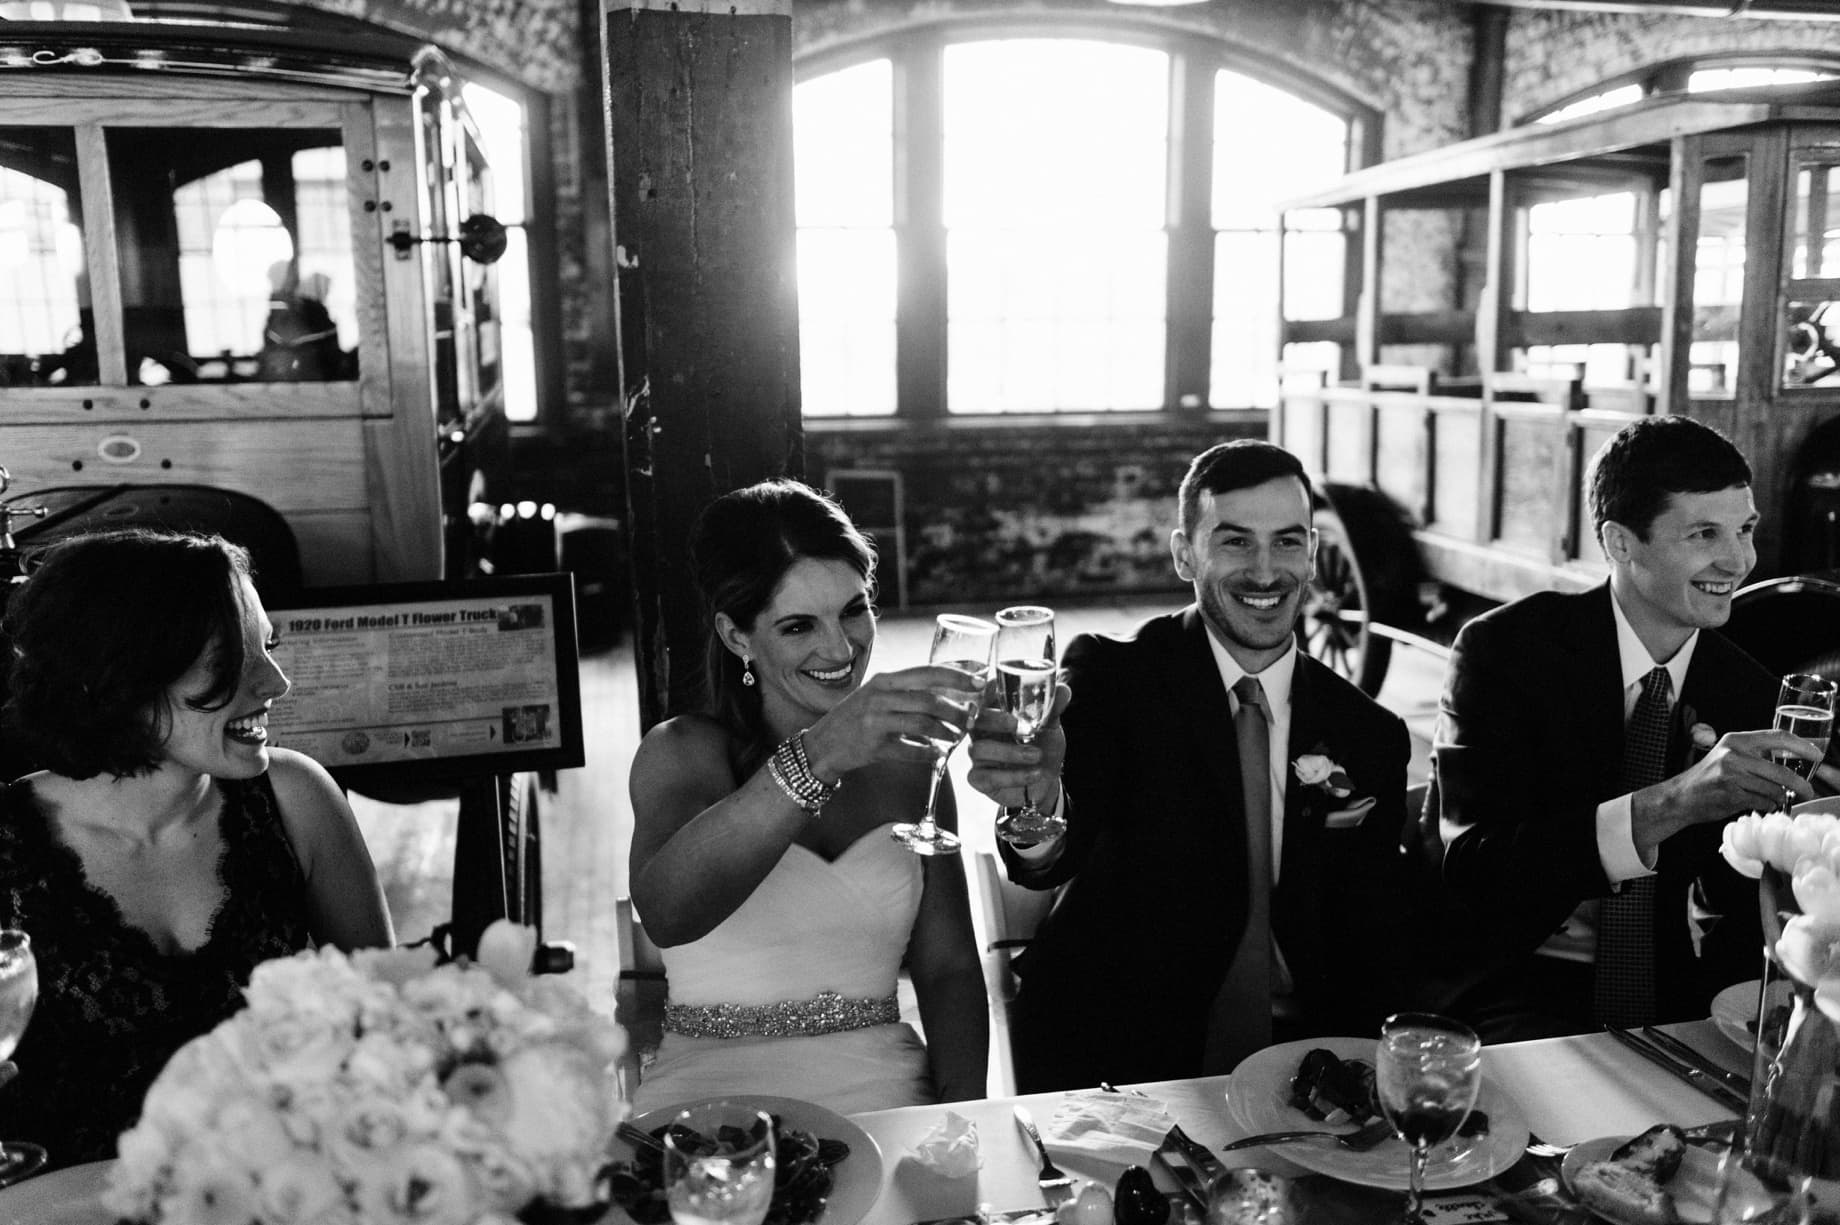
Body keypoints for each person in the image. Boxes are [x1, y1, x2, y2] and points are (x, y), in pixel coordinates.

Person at [967, 440, 1413, 1090]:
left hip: (1306, 1065)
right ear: (1184, 553)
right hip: (1120, 1056)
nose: (1266, 571)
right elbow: (1051, 856)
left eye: (1288, 542)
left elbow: (1374, 931)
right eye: (1235, 542)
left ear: (1313, 553)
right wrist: (1035, 806)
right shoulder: (1114, 678)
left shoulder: (1369, 732)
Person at [1428, 416, 1834, 1040]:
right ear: (1620, 543)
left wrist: (1806, 836)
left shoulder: (1750, 691)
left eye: (1745, 530)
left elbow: (1740, 902)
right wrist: (1672, 803)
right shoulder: (1505, 652)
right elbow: (1473, 866)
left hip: (1684, 994)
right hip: (1520, 977)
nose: (1738, 560)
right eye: (1704, 533)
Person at [0, 529, 394, 1167]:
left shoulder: (296, 800)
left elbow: (391, 1022)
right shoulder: (9, 844)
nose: (277, 682)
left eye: (267, 647)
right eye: (233, 661)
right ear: (121, 675)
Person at [627, 479, 988, 1113]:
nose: (842, 649)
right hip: (709, 1099)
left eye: (854, 609)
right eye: (799, 626)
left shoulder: (914, 762)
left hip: (886, 1091)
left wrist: (963, 1117)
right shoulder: (681, 752)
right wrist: (820, 754)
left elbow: (949, 968)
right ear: (738, 637)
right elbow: (668, 914)